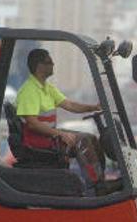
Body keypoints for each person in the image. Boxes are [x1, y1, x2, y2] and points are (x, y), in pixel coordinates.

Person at [16, 48, 105, 191]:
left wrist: (93, 107)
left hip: (49, 135)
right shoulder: (29, 91)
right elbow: (32, 124)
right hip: (38, 140)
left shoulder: (47, 88)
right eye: (49, 62)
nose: (53, 65)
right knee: (83, 142)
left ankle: (101, 180)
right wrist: (60, 134)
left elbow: (69, 104)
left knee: (92, 138)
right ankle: (96, 186)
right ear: (40, 66)